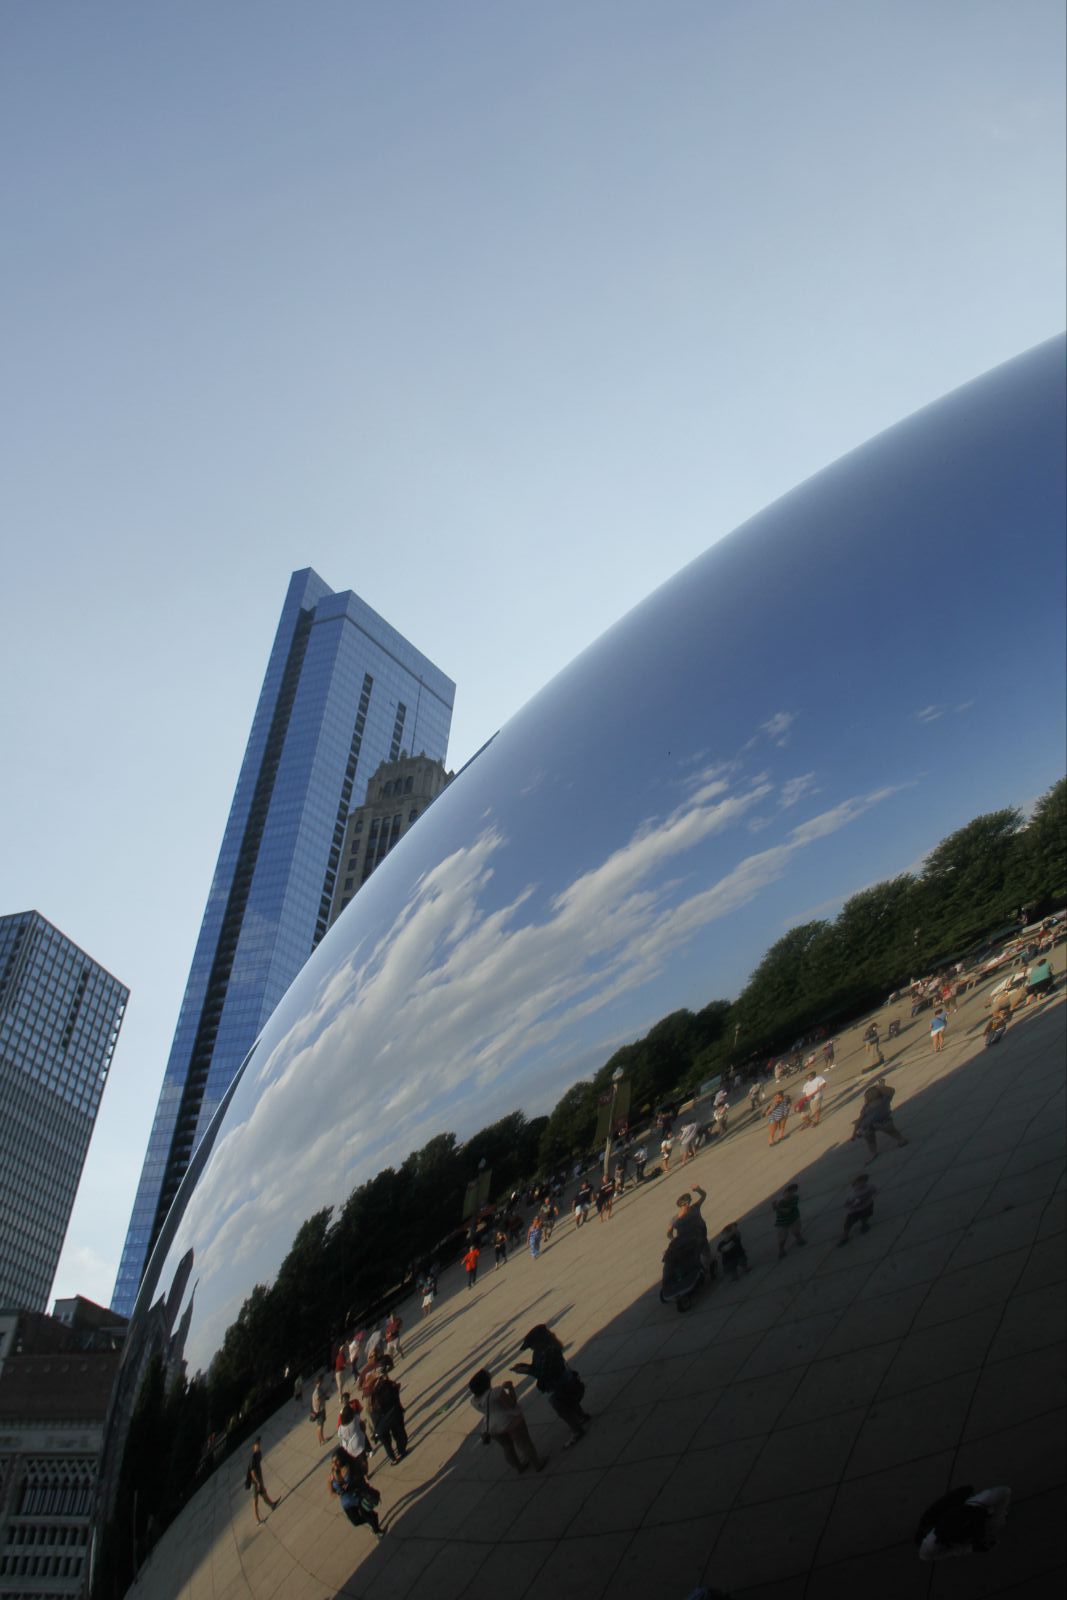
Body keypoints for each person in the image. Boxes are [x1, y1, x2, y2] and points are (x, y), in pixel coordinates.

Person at [513, 1324, 591, 1448]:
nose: (531, 1349)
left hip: (562, 1384)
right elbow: (537, 1367)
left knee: (562, 1408)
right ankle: (581, 1416)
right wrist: (526, 1366)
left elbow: (544, 1374)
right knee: (571, 1402)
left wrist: (527, 1371)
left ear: (539, 1342)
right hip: (565, 1380)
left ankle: (577, 1430)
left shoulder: (549, 1352)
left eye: (531, 1345)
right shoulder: (541, 1350)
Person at [468, 1368, 545, 1473]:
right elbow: (512, 1403)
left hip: (492, 1427)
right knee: (524, 1443)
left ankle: (519, 1467)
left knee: (507, 1448)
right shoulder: (496, 1392)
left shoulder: (474, 1401)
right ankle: (537, 1463)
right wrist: (510, 1388)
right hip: (511, 1421)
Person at [915, 1485, 1011, 1561]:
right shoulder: (931, 1544)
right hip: (932, 1524)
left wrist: (999, 1516)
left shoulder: (987, 1499)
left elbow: (1005, 1491)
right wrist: (969, 1549)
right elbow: (926, 1556)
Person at [328, 1449, 384, 1538]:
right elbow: (331, 1492)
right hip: (347, 1502)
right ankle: (373, 1517)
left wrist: (352, 1485)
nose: (334, 1464)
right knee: (356, 1521)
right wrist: (338, 1493)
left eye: (336, 1461)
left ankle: (376, 1530)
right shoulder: (333, 1474)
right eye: (332, 1462)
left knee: (367, 1515)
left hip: (359, 1497)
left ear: (342, 1458)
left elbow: (362, 1474)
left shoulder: (352, 1466)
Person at [852, 1082, 908, 1162]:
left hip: (868, 1126)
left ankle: (873, 1153)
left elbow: (859, 1120)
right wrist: (881, 1087)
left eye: (865, 1098)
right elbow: (891, 1090)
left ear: (867, 1099)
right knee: (892, 1131)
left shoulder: (866, 1107)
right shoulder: (885, 1100)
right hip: (883, 1122)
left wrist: (854, 1133)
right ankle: (901, 1140)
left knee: (871, 1141)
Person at [368, 1368, 408, 1464]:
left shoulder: (372, 1392)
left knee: (388, 1442)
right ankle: (401, 1451)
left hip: (382, 1421)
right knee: (399, 1435)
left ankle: (394, 1458)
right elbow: (394, 1396)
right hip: (393, 1414)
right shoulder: (387, 1385)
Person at [837, 1174, 877, 1245]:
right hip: (854, 1210)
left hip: (866, 1206)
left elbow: (874, 1192)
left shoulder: (869, 1187)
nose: (861, 1183)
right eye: (859, 1181)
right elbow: (846, 1203)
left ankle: (864, 1225)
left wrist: (869, 1198)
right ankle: (845, 1236)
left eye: (863, 1181)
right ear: (855, 1182)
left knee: (865, 1217)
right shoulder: (852, 1192)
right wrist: (850, 1204)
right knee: (848, 1223)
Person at [246, 1438, 278, 1523]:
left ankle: (272, 1504)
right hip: (254, 1482)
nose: (258, 1447)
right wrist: (258, 1482)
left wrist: (261, 1481)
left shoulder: (259, 1454)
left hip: (258, 1479)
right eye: (257, 1445)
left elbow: (258, 1468)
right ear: (254, 1447)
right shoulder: (252, 1458)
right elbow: (252, 1472)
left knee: (263, 1493)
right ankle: (257, 1519)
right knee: (255, 1500)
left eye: (259, 1445)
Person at [771, 1183, 805, 1258]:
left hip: (793, 1217)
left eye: (792, 1191)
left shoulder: (795, 1198)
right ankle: (781, 1250)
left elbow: (788, 1211)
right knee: (782, 1237)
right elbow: (775, 1209)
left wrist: (777, 1207)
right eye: (788, 1192)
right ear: (785, 1192)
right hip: (782, 1222)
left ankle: (799, 1239)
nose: (789, 1194)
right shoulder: (780, 1202)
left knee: (796, 1230)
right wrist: (775, 1206)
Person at [310, 1374, 328, 1446]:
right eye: (322, 1380)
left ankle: (322, 1439)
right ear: (320, 1381)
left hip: (320, 1410)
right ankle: (321, 1441)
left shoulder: (319, 1389)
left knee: (320, 1425)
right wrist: (324, 1396)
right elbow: (319, 1399)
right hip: (319, 1411)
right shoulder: (317, 1391)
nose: (323, 1381)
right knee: (320, 1426)